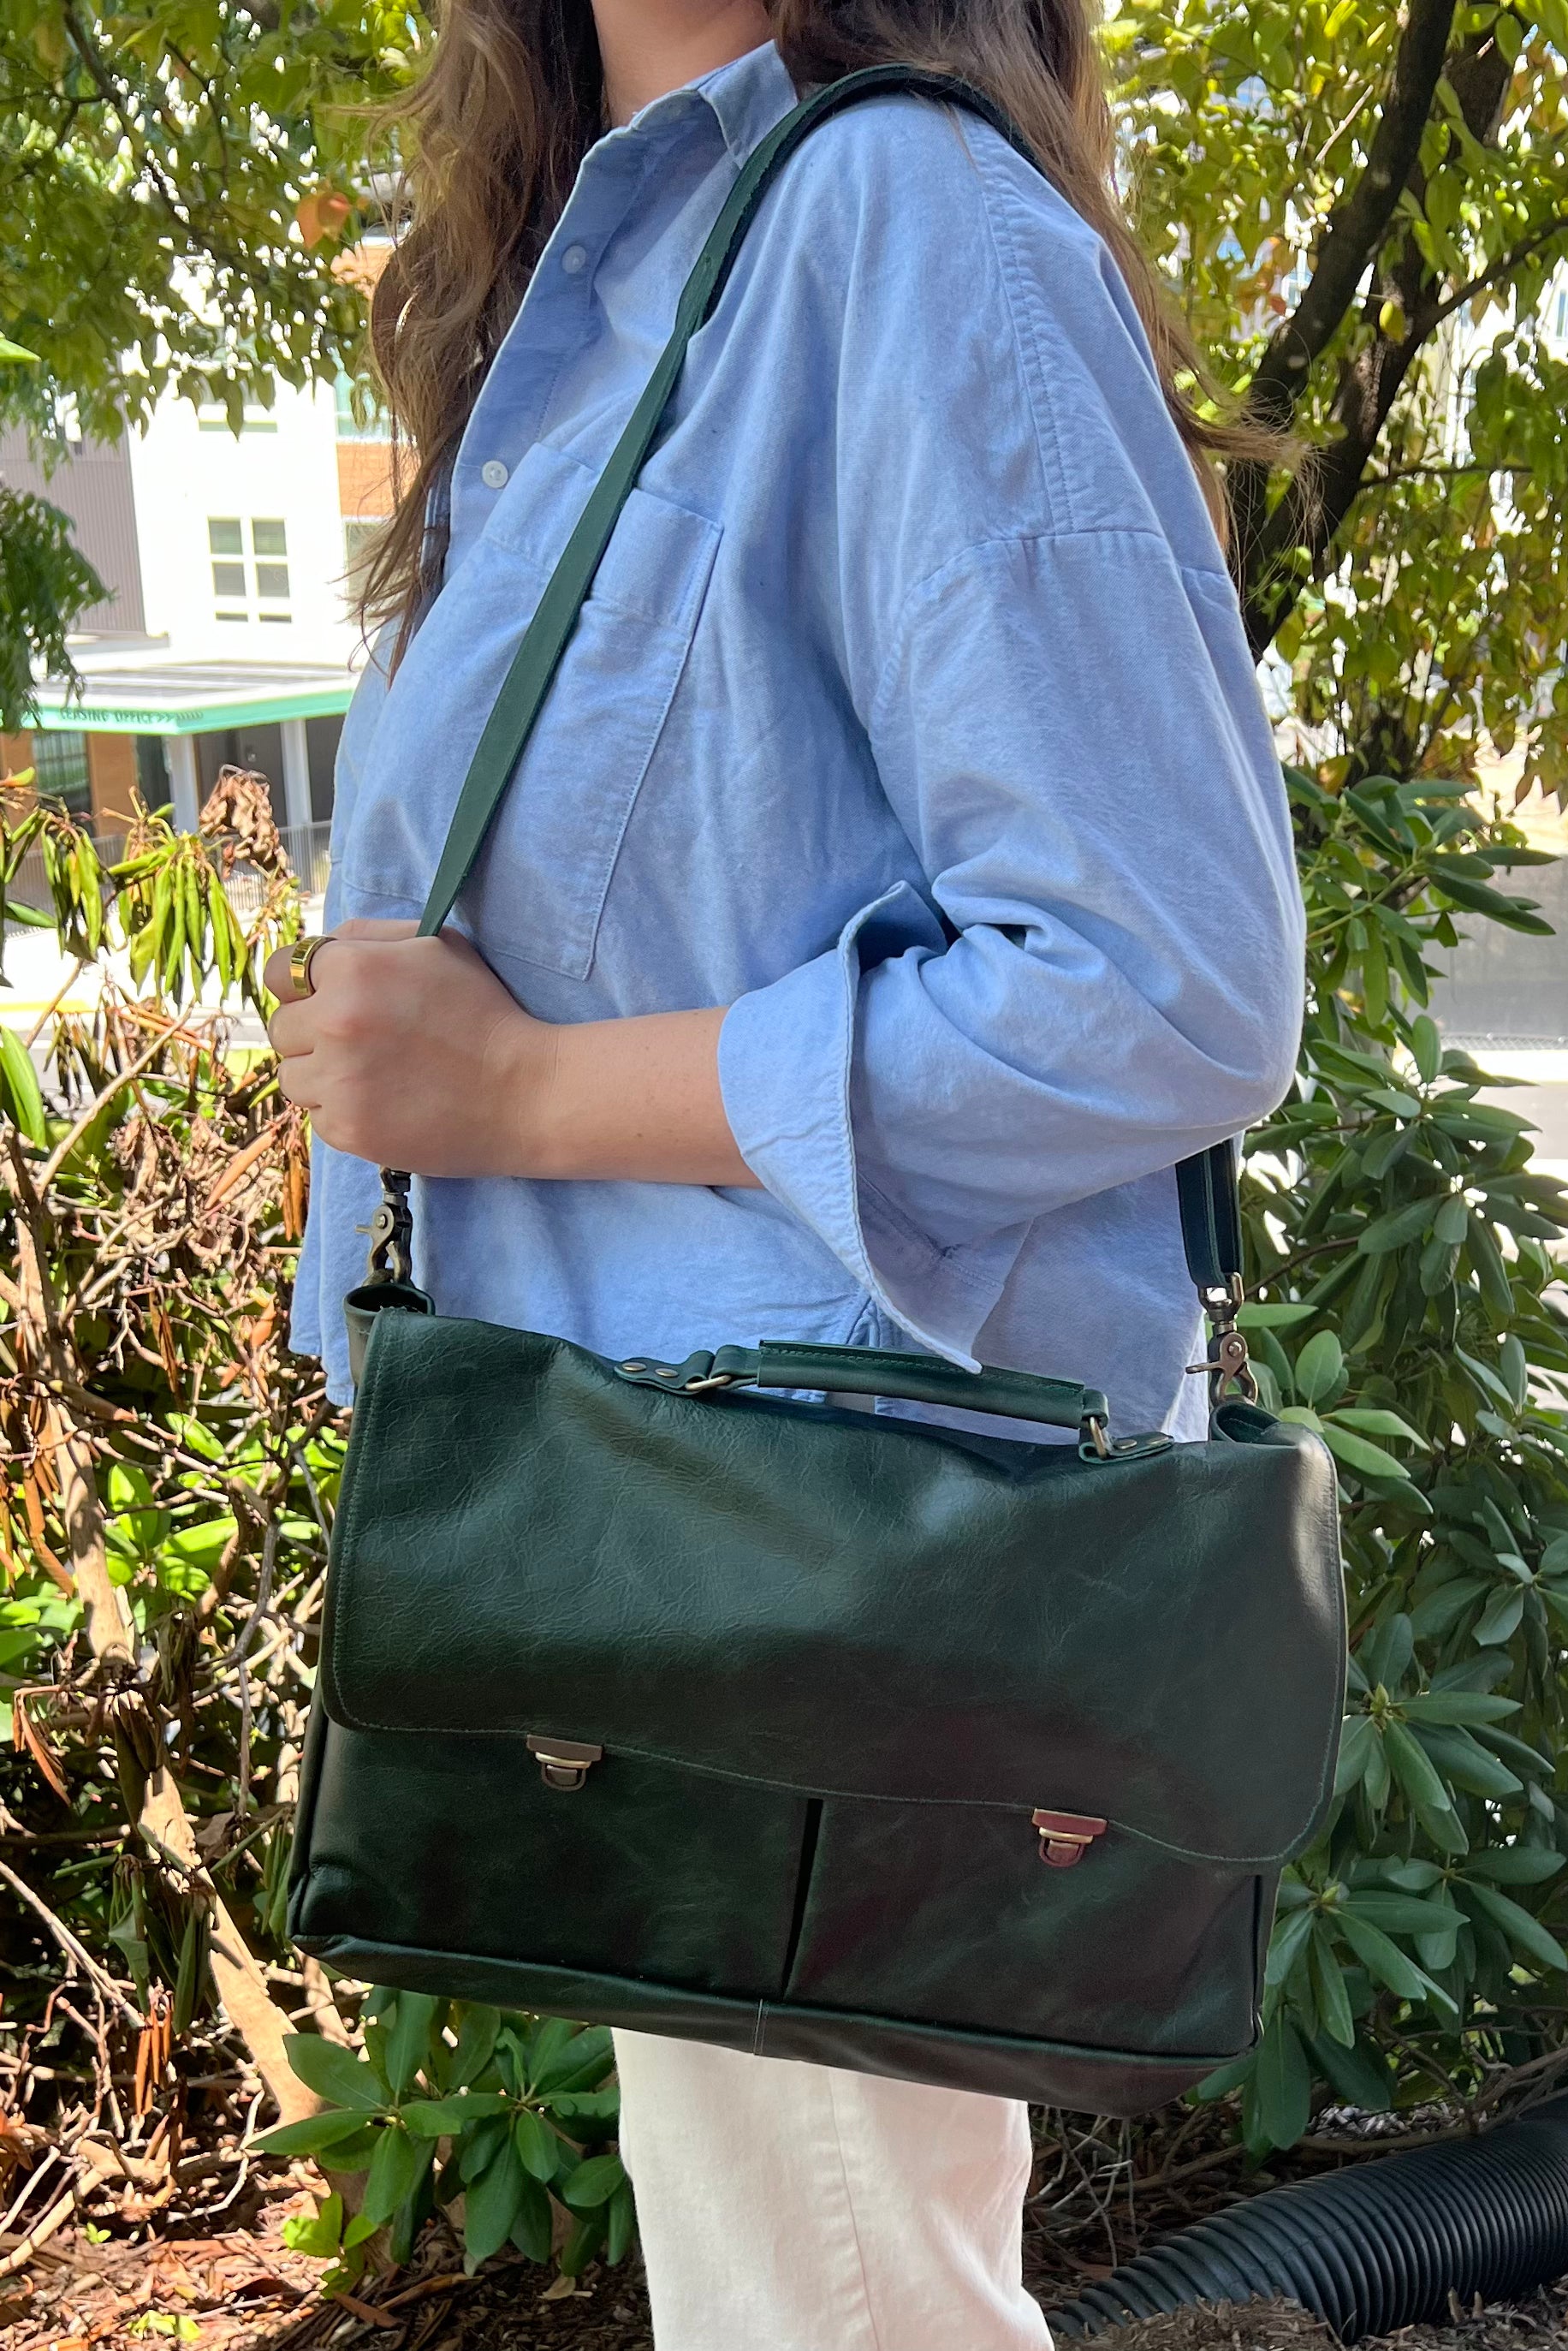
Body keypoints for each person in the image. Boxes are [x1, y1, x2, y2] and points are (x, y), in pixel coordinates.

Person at [265, 0, 1305, 2337]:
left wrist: (522, 1102)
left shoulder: (889, 216)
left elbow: (1164, 985)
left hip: (816, 1577)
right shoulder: (637, 258)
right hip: (680, 1549)